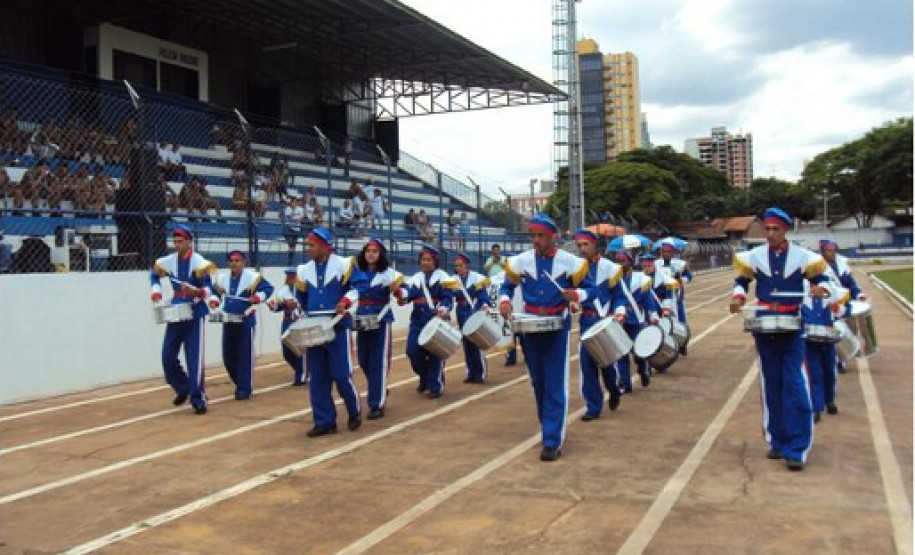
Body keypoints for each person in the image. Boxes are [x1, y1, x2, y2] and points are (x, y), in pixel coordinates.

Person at [729, 207, 832, 472]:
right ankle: (776, 439)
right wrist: (738, 297)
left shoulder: (803, 257)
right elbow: (741, 281)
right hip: (764, 327)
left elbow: (823, 281)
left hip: (792, 328)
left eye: (776, 229)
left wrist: (821, 289)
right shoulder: (754, 256)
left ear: (785, 230)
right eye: (768, 229)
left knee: (795, 385)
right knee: (771, 385)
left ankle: (797, 449)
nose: (771, 234)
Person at [498, 214, 594, 462]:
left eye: (541, 236)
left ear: (553, 237)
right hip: (530, 326)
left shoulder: (570, 262)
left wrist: (577, 294)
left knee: (554, 382)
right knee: (538, 382)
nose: (536, 240)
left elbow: (592, 289)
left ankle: (552, 440)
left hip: (557, 327)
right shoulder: (520, 261)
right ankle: (548, 424)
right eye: (533, 235)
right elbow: (506, 287)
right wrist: (505, 301)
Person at [295, 227, 362, 437]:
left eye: (312, 245)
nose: (309, 249)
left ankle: (354, 410)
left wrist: (345, 301)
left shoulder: (344, 264)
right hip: (315, 328)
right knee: (318, 377)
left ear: (325, 246)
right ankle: (324, 421)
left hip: (337, 326)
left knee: (341, 375)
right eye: (308, 245)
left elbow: (358, 288)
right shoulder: (304, 270)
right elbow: (302, 298)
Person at [149, 225, 217, 414]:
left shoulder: (199, 262)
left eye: (181, 241)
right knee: (168, 355)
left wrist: (197, 291)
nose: (177, 245)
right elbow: (154, 275)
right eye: (175, 242)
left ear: (189, 241)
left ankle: (198, 398)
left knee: (194, 358)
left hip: (195, 312)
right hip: (177, 310)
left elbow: (209, 287)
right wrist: (156, 291)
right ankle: (183, 387)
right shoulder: (169, 261)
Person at [572, 229, 627, 420]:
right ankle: (593, 407)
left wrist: (620, 312)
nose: (582, 248)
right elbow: (574, 292)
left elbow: (619, 296)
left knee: (607, 363)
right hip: (587, 321)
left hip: (605, 320)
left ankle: (614, 389)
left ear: (595, 245)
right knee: (587, 365)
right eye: (579, 245)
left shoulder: (610, 268)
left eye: (585, 244)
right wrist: (573, 302)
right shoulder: (576, 269)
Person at [207, 251, 274, 400]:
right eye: (231, 261)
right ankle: (240, 383)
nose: (234, 263)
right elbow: (215, 292)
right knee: (228, 357)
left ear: (243, 262)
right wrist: (214, 300)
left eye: (237, 260)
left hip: (245, 321)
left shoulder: (252, 278)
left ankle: (244, 388)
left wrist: (258, 297)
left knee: (244, 356)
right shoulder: (223, 279)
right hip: (228, 321)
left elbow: (268, 289)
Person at [352, 238, 403, 419]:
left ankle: (376, 404)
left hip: (381, 319)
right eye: (368, 251)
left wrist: (397, 291)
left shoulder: (390, 274)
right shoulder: (357, 273)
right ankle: (379, 386)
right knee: (363, 360)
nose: (370, 254)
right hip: (362, 319)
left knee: (378, 362)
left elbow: (404, 294)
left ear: (380, 255)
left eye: (374, 251)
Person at [397, 244, 457, 399]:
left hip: (435, 321)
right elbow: (406, 294)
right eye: (423, 259)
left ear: (435, 262)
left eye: (428, 260)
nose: (425, 262)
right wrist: (399, 294)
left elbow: (448, 299)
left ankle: (435, 386)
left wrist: (443, 308)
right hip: (417, 321)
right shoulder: (416, 279)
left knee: (435, 354)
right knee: (412, 351)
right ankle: (424, 377)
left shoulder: (443, 278)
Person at [611, 250, 661, 392]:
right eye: (617, 261)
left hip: (637, 320)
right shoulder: (613, 279)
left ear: (629, 262)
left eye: (623, 260)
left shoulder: (641, 279)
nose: (620, 264)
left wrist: (653, 316)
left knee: (639, 352)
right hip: (620, 320)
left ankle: (643, 371)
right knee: (621, 353)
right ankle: (625, 384)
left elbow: (648, 300)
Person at [801, 279, 849, 422]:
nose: (815, 287)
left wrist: (838, 309)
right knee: (814, 373)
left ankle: (830, 401)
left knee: (829, 372)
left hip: (828, 341)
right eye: (812, 284)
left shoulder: (831, 294)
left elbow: (846, 310)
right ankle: (816, 408)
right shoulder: (802, 296)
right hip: (810, 342)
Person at [819, 238, 867, 374]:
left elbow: (851, 284)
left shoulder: (842, 264)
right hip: (828, 304)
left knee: (848, 331)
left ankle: (843, 358)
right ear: (823, 251)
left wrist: (859, 295)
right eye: (829, 250)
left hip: (845, 304)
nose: (832, 253)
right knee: (832, 332)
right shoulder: (817, 266)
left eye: (834, 250)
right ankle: (835, 360)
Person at [452, 252, 492, 383]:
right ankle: (470, 372)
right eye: (456, 266)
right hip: (461, 312)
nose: (458, 268)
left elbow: (483, 295)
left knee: (476, 342)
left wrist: (485, 304)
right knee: (466, 343)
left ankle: (480, 373)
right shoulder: (453, 280)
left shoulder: (477, 278)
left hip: (473, 310)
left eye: (460, 265)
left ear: (466, 265)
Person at [639, 252, 678, 374]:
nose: (646, 269)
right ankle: (647, 364)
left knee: (660, 336)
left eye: (649, 266)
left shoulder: (663, 278)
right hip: (645, 312)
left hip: (660, 310)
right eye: (644, 266)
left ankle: (661, 363)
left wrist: (666, 308)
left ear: (654, 266)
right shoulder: (639, 278)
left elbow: (668, 295)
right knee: (647, 337)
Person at [267, 267, 307, 386]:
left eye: (293, 276)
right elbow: (278, 307)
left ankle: (301, 375)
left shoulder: (304, 290)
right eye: (288, 276)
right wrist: (273, 306)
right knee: (287, 351)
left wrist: (296, 305)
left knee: (299, 350)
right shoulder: (283, 291)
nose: (290, 279)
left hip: (300, 321)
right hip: (287, 322)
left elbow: (307, 305)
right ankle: (302, 370)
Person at [656, 241, 693, 355]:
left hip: (676, 297)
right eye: (664, 251)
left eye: (668, 251)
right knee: (663, 321)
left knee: (680, 320)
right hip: (661, 297)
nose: (666, 253)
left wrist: (680, 280)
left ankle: (682, 344)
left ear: (672, 252)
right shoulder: (656, 264)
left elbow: (689, 276)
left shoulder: (680, 264)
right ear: (660, 252)